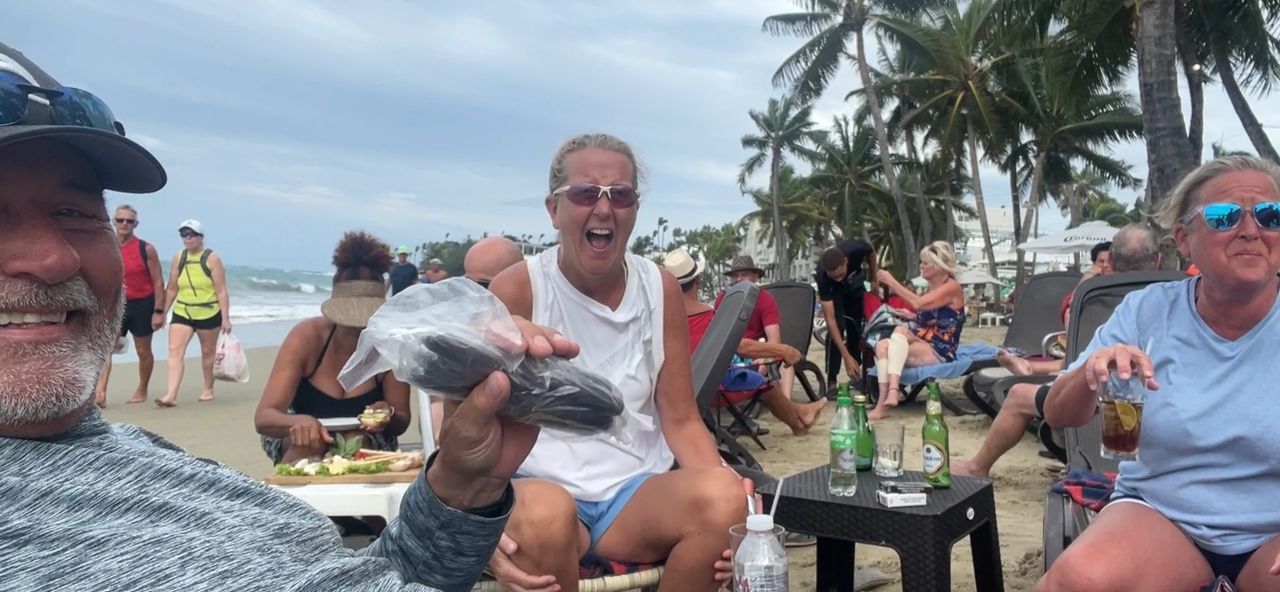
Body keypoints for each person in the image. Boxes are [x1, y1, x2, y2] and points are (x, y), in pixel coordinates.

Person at [0, 40, 555, 591]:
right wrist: (298, 426)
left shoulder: (140, 452)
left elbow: (369, 579)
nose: (52, 258)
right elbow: (271, 418)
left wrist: (460, 486)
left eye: (74, 212)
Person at [482, 134, 748, 592]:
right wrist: (473, 523)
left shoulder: (658, 288)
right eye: (586, 193)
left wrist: (736, 498)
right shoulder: (518, 289)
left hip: (632, 495)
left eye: (620, 195)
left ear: (635, 208)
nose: (604, 209)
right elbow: (470, 421)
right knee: (546, 514)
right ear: (553, 210)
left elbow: (681, 417)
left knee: (727, 498)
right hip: (540, 488)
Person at [1038, 156, 1280, 591]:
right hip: (1161, 515)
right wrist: (1090, 374)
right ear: (1185, 240)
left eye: (1270, 215)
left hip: (1272, 529)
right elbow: (1058, 413)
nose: (1251, 230)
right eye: (1225, 217)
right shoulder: (1147, 311)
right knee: (1077, 581)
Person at [953, 224, 1161, 478]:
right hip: (1157, 396)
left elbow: (1073, 350)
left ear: (1111, 262)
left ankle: (977, 467)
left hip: (1097, 397)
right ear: (1157, 260)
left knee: (1019, 394)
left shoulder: (1094, 296)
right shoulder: (1173, 297)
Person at [255, 232, 412, 465]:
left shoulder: (391, 343)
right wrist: (300, 422)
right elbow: (265, 417)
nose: (358, 326)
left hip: (368, 438)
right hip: (298, 436)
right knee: (309, 444)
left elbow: (402, 421)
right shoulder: (307, 337)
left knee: (355, 441)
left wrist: (387, 415)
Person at [666, 249, 826, 435]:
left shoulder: (662, 316)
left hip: (674, 392)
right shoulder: (706, 315)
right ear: (697, 281)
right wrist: (785, 350)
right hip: (709, 389)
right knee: (762, 384)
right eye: (736, 275)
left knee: (751, 375)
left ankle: (801, 412)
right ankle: (798, 424)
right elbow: (738, 346)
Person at [420, 236, 529, 445]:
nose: (474, 295)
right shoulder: (457, 337)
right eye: (467, 285)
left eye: (484, 286)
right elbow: (436, 403)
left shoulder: (543, 329)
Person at [868, 241, 965, 420]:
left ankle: (893, 391)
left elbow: (918, 303)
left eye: (925, 263)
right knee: (882, 345)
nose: (921, 266)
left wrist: (891, 281)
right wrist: (912, 317)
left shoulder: (951, 287)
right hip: (925, 340)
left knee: (898, 332)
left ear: (938, 266)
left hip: (941, 348)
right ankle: (885, 401)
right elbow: (936, 318)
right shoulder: (935, 287)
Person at [93, 204, 164, 407]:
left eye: (129, 221)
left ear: (136, 224)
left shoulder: (146, 248)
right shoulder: (104, 246)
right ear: (113, 221)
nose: (124, 224)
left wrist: (159, 311)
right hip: (115, 304)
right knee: (107, 348)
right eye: (120, 220)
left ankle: (142, 388)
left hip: (143, 304)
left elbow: (158, 281)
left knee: (143, 351)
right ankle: (101, 394)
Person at [156, 219, 230, 406]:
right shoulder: (179, 257)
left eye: (191, 234)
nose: (188, 238)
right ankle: (171, 395)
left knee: (207, 353)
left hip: (208, 311)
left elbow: (221, 290)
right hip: (183, 311)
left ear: (200, 237)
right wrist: (163, 312)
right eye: (184, 234)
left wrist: (226, 318)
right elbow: (172, 287)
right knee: (174, 351)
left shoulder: (212, 258)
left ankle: (208, 388)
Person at [716, 255, 800, 402]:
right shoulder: (723, 299)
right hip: (729, 352)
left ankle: (787, 405)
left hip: (755, 349)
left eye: (744, 274)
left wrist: (764, 357)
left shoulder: (764, 299)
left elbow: (774, 339)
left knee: (786, 365)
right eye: (735, 275)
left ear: (755, 276)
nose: (739, 279)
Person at [816, 239, 876, 389]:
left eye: (840, 274)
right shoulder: (823, 277)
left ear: (845, 262)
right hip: (835, 293)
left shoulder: (855, 248)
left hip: (854, 284)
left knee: (855, 328)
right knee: (837, 326)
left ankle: (857, 374)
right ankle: (832, 381)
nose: (837, 278)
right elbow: (830, 320)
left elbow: (871, 252)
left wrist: (874, 277)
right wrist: (845, 356)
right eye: (833, 276)